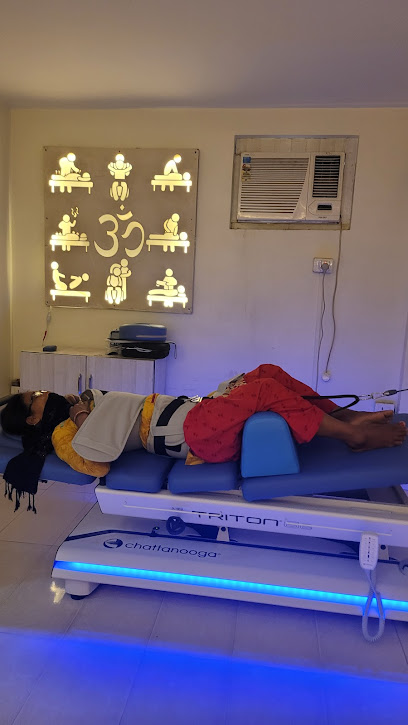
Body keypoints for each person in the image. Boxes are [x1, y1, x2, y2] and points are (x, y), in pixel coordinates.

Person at [2, 365, 406, 460]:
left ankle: (344, 418)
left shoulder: (78, 402)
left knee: (264, 372)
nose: (43, 393)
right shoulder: (64, 434)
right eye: (34, 398)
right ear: (34, 419)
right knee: (264, 391)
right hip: (195, 435)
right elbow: (95, 457)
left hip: (195, 412)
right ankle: (353, 436)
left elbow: (102, 403)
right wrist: (79, 416)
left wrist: (83, 402)